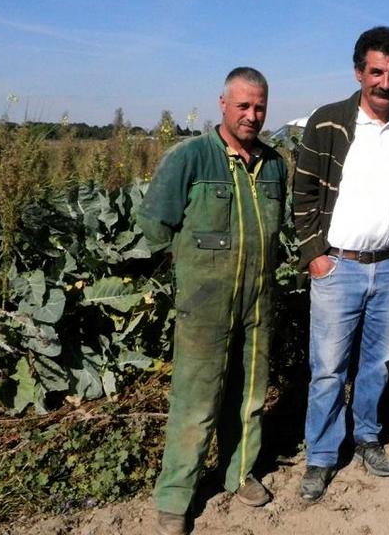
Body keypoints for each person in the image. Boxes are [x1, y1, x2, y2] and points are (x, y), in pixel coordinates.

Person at [137, 67, 287, 535]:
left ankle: (240, 474)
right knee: (195, 398)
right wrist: (196, 272)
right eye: (243, 105)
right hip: (204, 301)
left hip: (258, 299)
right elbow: (155, 225)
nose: (252, 115)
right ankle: (175, 497)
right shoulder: (191, 158)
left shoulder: (274, 164)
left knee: (250, 395)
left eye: (259, 106)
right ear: (222, 104)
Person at [293, 26, 389, 503]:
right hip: (339, 267)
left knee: (377, 365)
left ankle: (368, 437)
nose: (385, 82)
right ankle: (321, 456)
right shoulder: (329, 122)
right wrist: (315, 255)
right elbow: (304, 194)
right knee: (329, 368)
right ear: (359, 72)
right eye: (376, 71)